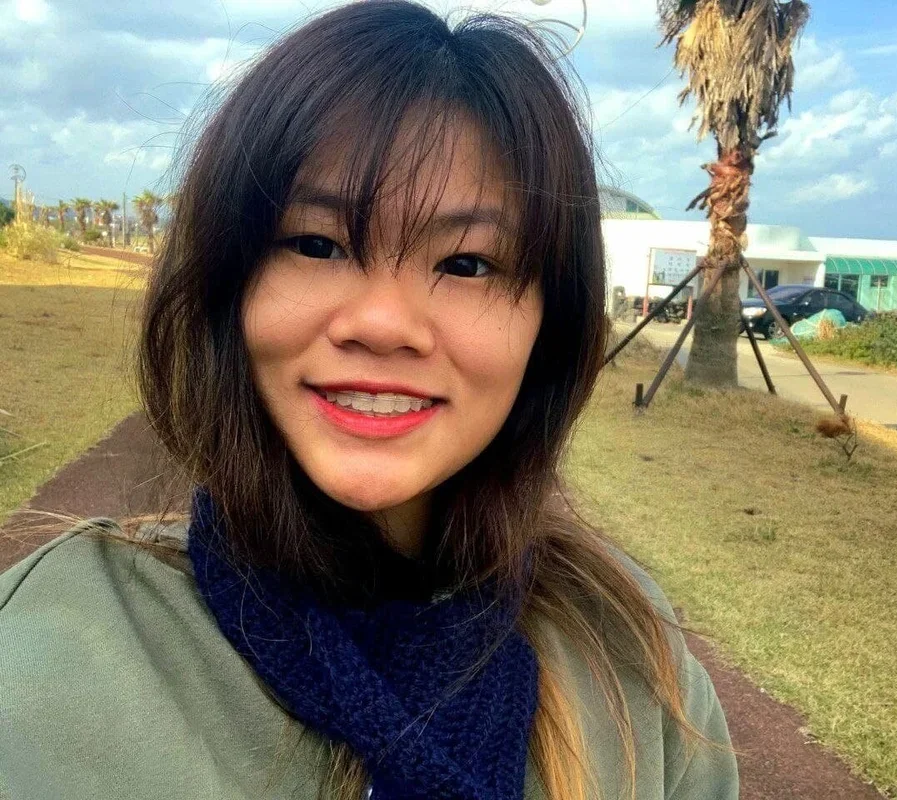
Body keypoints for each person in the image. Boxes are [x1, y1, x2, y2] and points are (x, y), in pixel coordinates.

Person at [0, 2, 739, 798]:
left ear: (547, 324)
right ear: (228, 284)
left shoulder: (631, 650)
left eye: (467, 264)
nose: (384, 324)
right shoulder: (57, 647)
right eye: (317, 244)